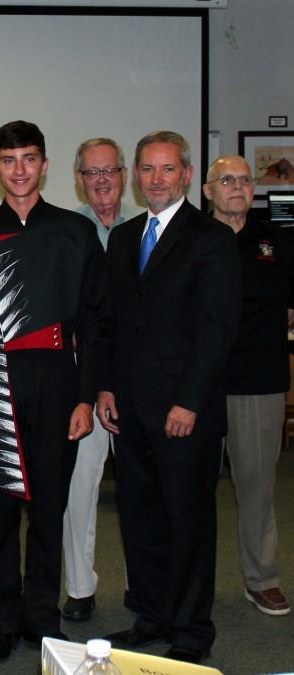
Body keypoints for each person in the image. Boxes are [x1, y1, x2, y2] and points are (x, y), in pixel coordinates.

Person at [0, 121, 109, 664]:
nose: (19, 169)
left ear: (44, 165)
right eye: (9, 160)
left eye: (30, 158)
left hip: (58, 383)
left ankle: (43, 617)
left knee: (47, 506)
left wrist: (85, 397)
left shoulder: (75, 232)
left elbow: (94, 322)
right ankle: (5, 618)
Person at [98, 131, 241, 664]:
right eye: (147, 170)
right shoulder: (124, 237)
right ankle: (152, 616)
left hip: (185, 412)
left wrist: (190, 402)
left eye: (167, 170)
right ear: (135, 175)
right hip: (131, 409)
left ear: (185, 175)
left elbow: (217, 329)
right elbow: (113, 321)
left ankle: (190, 630)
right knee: (140, 518)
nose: (156, 179)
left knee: (188, 522)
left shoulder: (210, 238)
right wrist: (108, 385)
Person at [203, 154, 293, 617]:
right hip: (197, 386)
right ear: (208, 190)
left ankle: (262, 579)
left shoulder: (276, 242)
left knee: (256, 486)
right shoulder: (192, 240)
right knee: (192, 490)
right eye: (226, 180)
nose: (237, 187)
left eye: (244, 180)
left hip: (258, 384)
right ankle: (190, 585)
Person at [62, 138, 139, 622]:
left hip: (137, 382)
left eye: (110, 171)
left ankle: (142, 584)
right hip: (81, 380)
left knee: (140, 490)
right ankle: (80, 588)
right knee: (79, 488)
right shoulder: (66, 232)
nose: (102, 181)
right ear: (78, 179)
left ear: (125, 174)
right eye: (92, 173)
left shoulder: (147, 229)